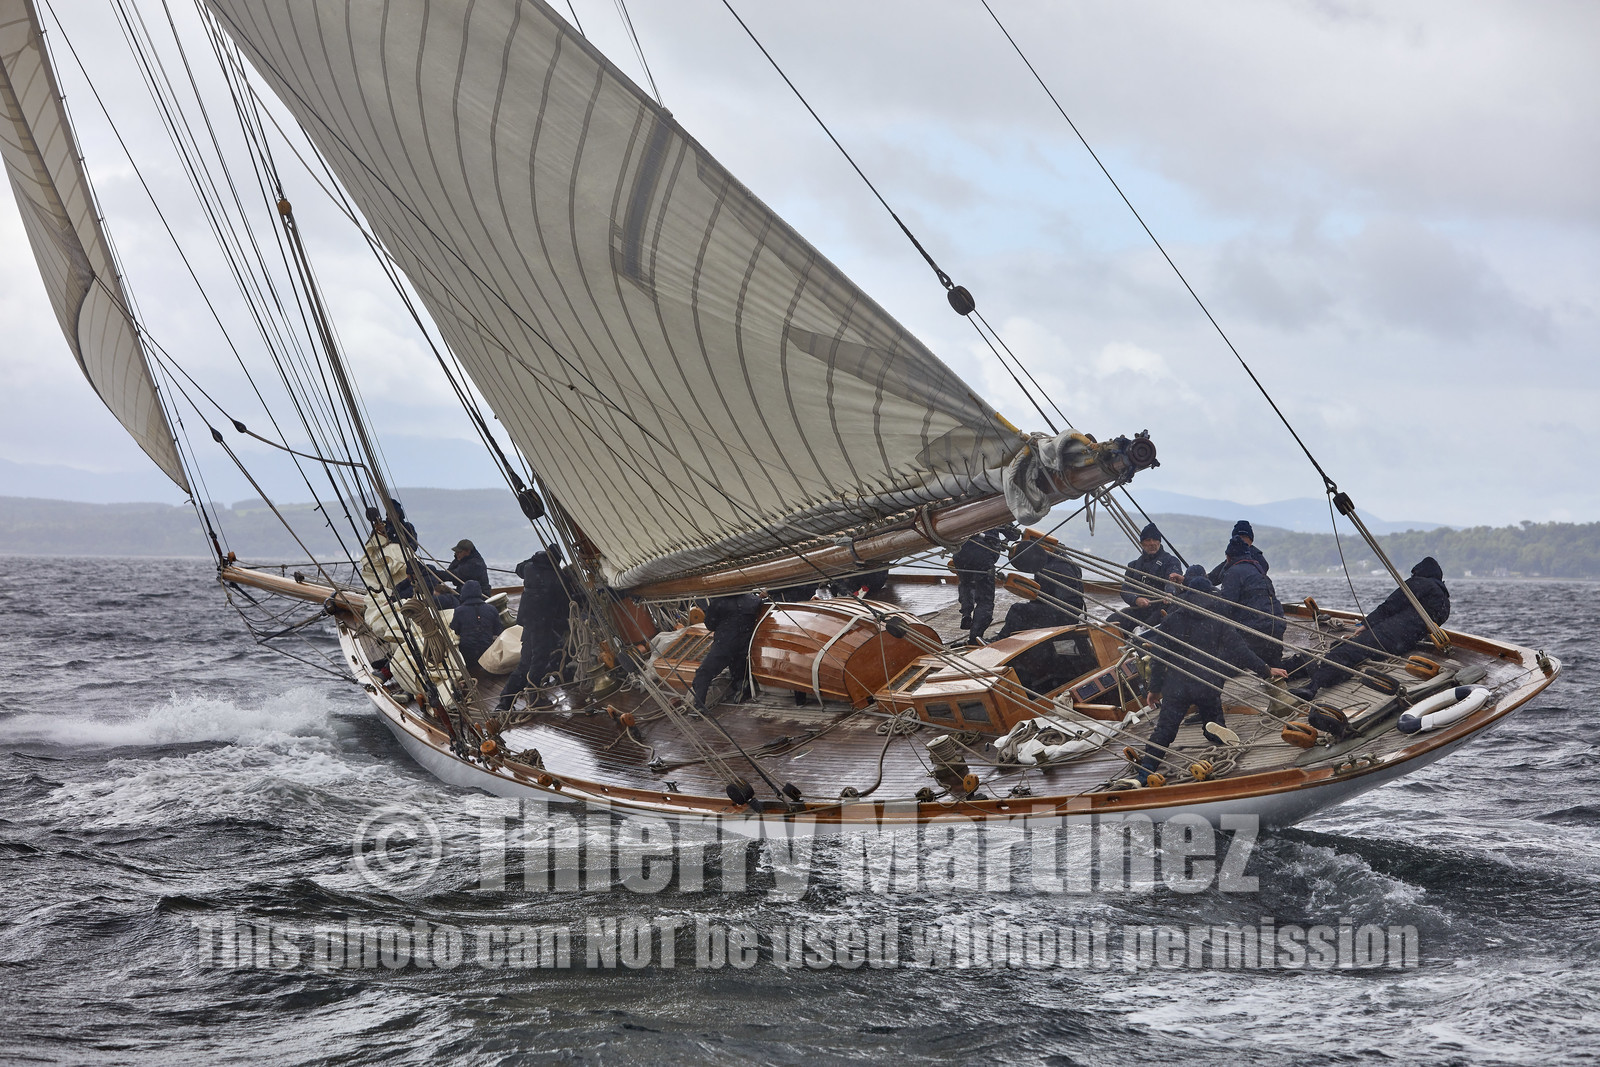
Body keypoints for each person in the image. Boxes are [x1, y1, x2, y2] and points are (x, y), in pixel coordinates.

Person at [1135, 567, 1289, 783]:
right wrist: (1266, 669)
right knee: (1213, 722)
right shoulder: (1217, 620)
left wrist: (1154, 689)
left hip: (1177, 686)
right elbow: (1240, 650)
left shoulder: (1172, 620)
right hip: (1206, 685)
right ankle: (1214, 731)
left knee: (1165, 730)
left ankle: (1146, 769)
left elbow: (1159, 657)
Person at [1290, 557, 1451, 700]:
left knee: (1343, 653)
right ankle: (1314, 671)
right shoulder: (1445, 602)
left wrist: (1366, 625)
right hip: (1406, 643)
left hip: (1388, 635)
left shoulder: (1419, 583)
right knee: (1347, 650)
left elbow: (1389, 607)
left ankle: (1313, 687)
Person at [494, 544, 573, 712]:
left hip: (529, 621)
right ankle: (533, 696)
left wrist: (534, 559)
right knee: (536, 661)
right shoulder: (558, 578)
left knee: (539, 656)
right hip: (543, 624)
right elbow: (565, 606)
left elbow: (518, 568)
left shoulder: (530, 567)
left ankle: (505, 703)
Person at [994, 536, 1084, 639]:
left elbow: (1057, 599)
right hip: (1067, 613)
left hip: (1064, 615)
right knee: (1027, 610)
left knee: (1017, 610)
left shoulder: (1054, 568)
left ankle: (1002, 639)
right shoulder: (1058, 561)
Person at [690, 592, 768, 710]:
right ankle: (742, 689)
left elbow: (710, 625)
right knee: (739, 672)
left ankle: (699, 706)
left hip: (724, 646)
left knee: (704, 672)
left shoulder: (718, 603)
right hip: (745, 647)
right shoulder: (754, 601)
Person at [1217, 535, 1286, 667]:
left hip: (1255, 631)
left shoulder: (1233, 572)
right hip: (1276, 629)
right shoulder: (1258, 569)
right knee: (1274, 665)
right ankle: (1299, 665)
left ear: (1228, 557)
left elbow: (1225, 607)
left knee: (1225, 664)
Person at [1110, 523, 1183, 633]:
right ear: (1142, 543)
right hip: (1139, 610)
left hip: (1162, 609)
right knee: (1111, 622)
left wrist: (1169, 593)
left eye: (1155, 539)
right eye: (1148, 540)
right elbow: (1125, 590)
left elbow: (1172, 580)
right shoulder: (1133, 566)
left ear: (1159, 541)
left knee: (1149, 626)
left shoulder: (1171, 561)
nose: (1152, 543)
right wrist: (1136, 599)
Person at [951, 528, 1010, 644]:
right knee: (985, 600)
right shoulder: (998, 511)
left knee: (966, 583)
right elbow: (1013, 534)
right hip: (983, 554)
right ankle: (975, 638)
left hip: (960, 552)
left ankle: (966, 613)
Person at [450, 579, 503, 668]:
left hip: (467, 654)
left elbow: (455, 629)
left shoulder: (459, 611)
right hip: (487, 651)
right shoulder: (491, 609)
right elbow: (498, 630)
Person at [1208, 520, 1264, 584]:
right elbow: (1214, 577)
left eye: (1244, 537)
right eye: (1238, 537)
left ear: (1251, 540)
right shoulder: (1234, 557)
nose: (1241, 540)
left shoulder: (1259, 559)